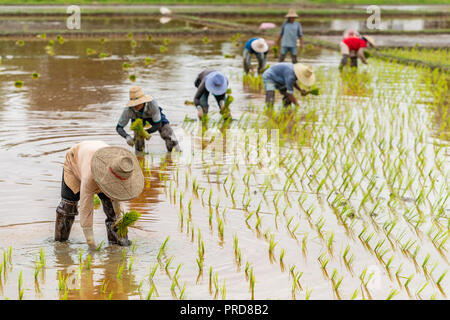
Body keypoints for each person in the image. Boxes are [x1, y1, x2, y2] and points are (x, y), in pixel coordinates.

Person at [55, 140, 145, 248]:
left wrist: (118, 215)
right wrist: (90, 242)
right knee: (67, 208)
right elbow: (86, 207)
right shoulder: (89, 177)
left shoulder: (121, 165)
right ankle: (60, 244)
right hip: (75, 159)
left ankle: (117, 245)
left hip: (101, 158)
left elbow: (116, 197)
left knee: (112, 212)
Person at [116, 86, 180, 152]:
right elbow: (119, 127)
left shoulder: (152, 104)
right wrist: (127, 136)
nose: (136, 106)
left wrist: (146, 132)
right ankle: (140, 157)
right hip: (138, 120)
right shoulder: (128, 110)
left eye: (138, 103)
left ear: (143, 101)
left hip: (154, 117)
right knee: (138, 140)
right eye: (134, 104)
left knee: (167, 132)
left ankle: (176, 154)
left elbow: (158, 124)